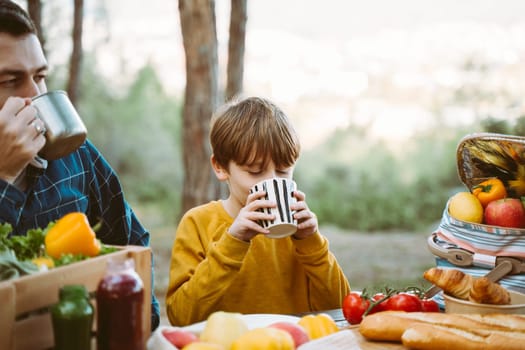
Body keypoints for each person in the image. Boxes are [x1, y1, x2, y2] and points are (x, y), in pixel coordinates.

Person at [0, 0, 159, 330]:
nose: (35, 94)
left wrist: (144, 328)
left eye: (40, 76)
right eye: (10, 80)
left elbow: (133, 246)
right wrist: (3, 175)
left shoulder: (77, 157)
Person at [166, 96, 351, 326]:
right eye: (255, 171)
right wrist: (233, 241)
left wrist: (313, 244)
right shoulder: (198, 223)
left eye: (283, 171)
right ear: (220, 167)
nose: (271, 180)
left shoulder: (300, 236)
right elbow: (181, 317)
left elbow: (342, 310)